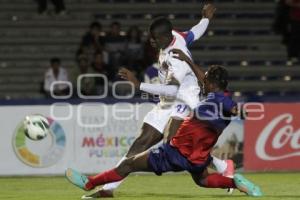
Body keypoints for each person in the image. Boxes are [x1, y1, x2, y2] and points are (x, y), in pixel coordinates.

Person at [77, 4, 233, 199]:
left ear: (165, 37)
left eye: (154, 38)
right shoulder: (176, 35)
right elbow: (194, 33)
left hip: (185, 102)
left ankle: (221, 165)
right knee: (140, 144)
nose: (150, 41)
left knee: (174, 149)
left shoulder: (176, 57)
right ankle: (108, 189)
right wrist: (205, 19)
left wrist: (138, 84)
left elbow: (172, 89)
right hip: (167, 102)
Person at [65, 63, 262, 197]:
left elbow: (234, 108)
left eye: (206, 80)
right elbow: (227, 102)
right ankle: (234, 183)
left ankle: (90, 183)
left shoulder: (220, 100)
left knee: (128, 164)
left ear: (212, 83)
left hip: (175, 152)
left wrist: (240, 110)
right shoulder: (216, 97)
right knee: (202, 180)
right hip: (197, 157)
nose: (202, 81)